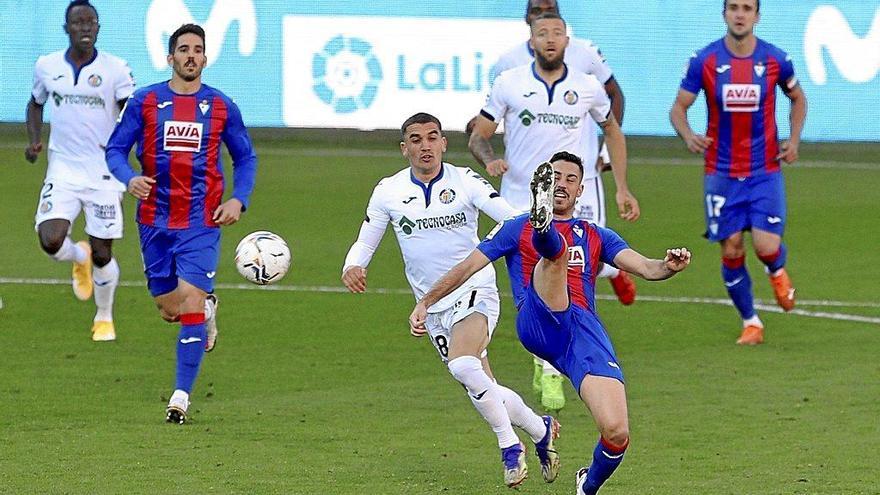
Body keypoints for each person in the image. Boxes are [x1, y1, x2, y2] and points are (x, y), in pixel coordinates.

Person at [410, 153, 691, 494]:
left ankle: (587, 485)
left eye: (570, 179)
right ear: (543, 185)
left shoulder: (596, 235)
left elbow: (648, 268)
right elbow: (468, 266)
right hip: (538, 318)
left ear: (580, 190)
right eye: (554, 176)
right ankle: (548, 233)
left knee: (616, 432)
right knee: (555, 256)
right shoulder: (516, 227)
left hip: (582, 332)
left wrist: (669, 265)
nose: (562, 183)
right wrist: (426, 301)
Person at [342, 113, 560, 487]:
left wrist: (536, 230)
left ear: (444, 143)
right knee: (481, 385)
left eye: (432, 137)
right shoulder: (389, 191)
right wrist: (354, 264)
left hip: (475, 288)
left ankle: (510, 447)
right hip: (432, 304)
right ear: (404, 147)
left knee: (463, 364)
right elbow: (367, 238)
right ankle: (540, 430)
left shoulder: (465, 181)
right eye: (416, 139)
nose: (425, 146)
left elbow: (510, 219)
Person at [468, 11, 641, 412]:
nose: (550, 39)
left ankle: (567, 349)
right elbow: (479, 134)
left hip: (571, 199)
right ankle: (547, 364)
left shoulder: (587, 87)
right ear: (531, 39)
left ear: (567, 40)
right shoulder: (508, 82)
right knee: (532, 282)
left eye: (557, 33)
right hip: (519, 199)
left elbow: (612, 129)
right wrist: (489, 158)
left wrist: (620, 184)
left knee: (580, 265)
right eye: (542, 33)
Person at [105, 23, 257, 424]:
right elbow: (116, 149)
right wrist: (128, 178)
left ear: (205, 58)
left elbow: (245, 157)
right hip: (154, 218)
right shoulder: (145, 102)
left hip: (201, 220)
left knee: (188, 299)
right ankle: (206, 310)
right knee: (169, 308)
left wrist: (238, 199)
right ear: (170, 57)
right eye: (183, 49)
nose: (191, 55)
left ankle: (180, 396)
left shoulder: (222, 106)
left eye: (198, 50)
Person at [669, 0, 806, 345]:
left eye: (747, 8)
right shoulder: (706, 60)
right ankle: (751, 322)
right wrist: (688, 136)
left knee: (765, 245)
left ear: (757, 16)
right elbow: (678, 108)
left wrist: (793, 139)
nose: (740, 14)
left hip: (764, 169)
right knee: (731, 248)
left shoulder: (776, 59)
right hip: (721, 171)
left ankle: (776, 269)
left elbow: (798, 98)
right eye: (734, 7)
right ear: (725, 14)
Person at [25, 0, 135, 341]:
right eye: (78, 22)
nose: (85, 27)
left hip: (104, 172)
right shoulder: (47, 66)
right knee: (50, 240)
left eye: (91, 22)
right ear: (66, 28)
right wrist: (34, 141)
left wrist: (135, 158)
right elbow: (35, 103)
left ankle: (104, 316)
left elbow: (130, 115)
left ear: (98, 28)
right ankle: (77, 255)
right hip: (64, 169)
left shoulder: (116, 69)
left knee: (104, 252)